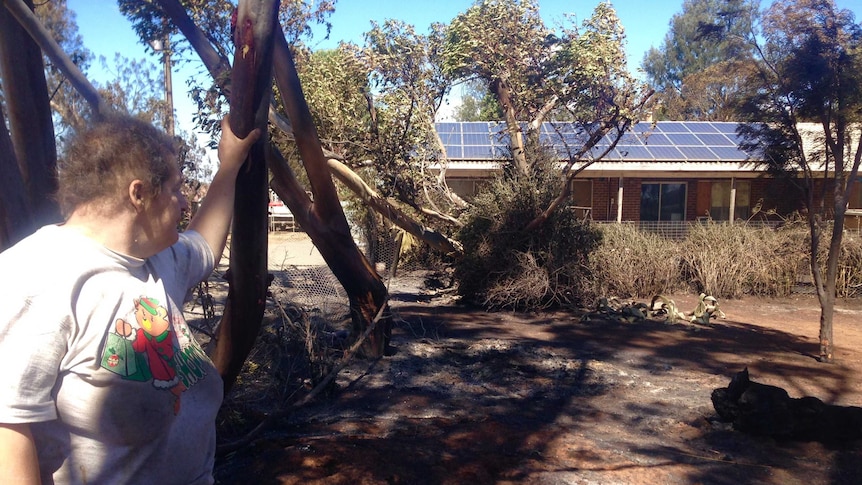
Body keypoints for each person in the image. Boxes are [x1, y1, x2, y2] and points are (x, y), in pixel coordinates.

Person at [0, 114, 260, 484]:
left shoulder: (154, 258)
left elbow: (203, 245)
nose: (184, 204)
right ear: (138, 194)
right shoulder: (35, 278)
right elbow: (8, 435)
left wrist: (229, 166)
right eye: (175, 189)